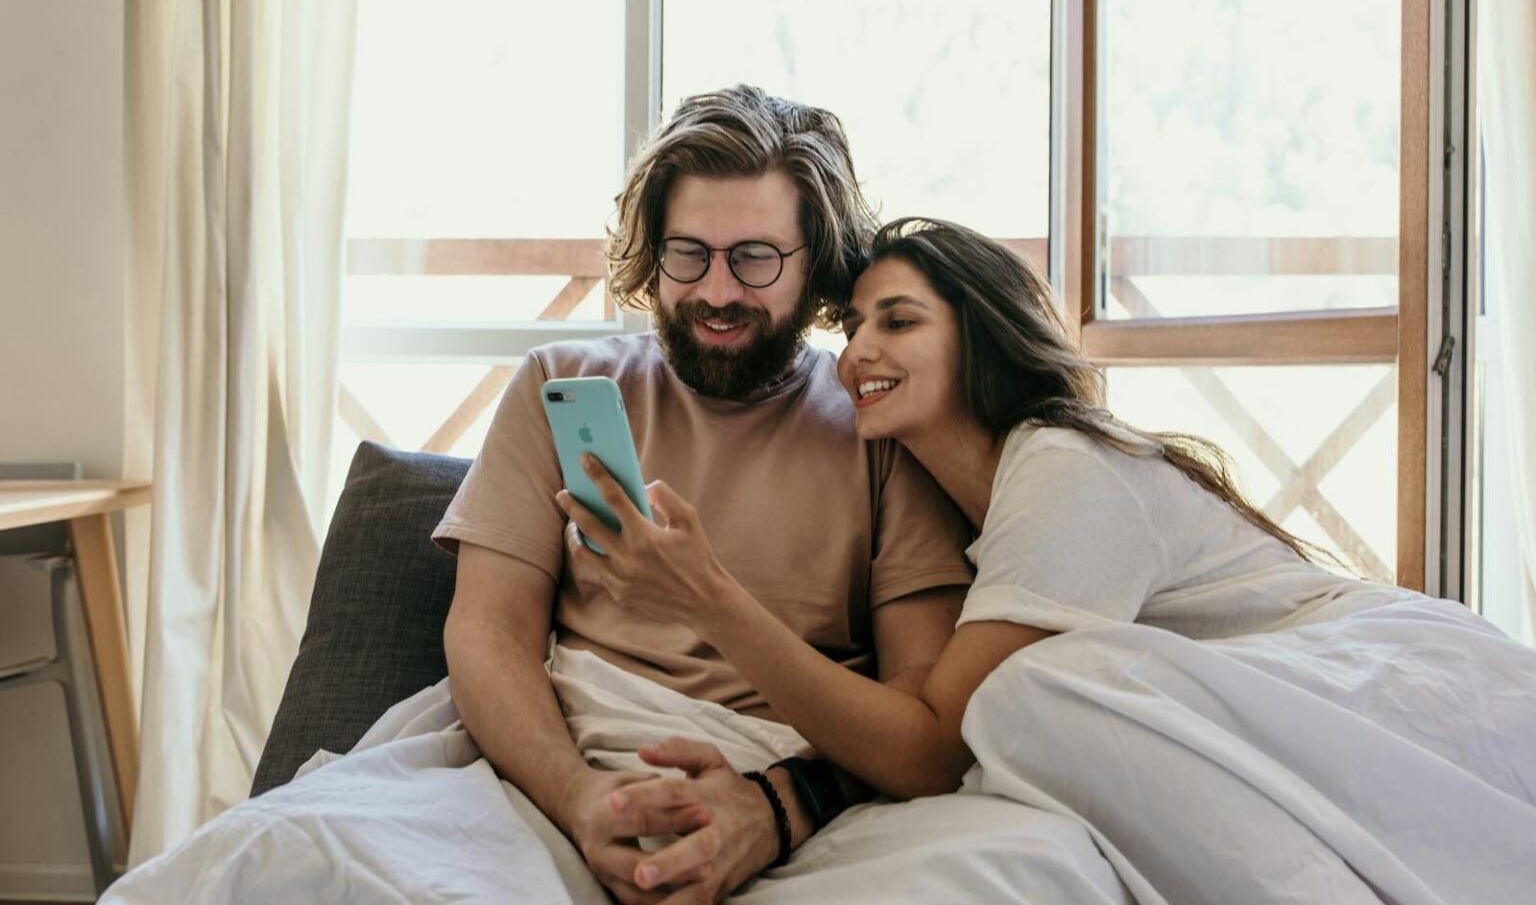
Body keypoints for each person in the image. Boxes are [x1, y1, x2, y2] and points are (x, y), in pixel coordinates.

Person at [570, 216, 1536, 904]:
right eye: (854, 325)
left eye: (899, 321)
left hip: (1377, 690)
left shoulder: (1065, 467)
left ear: (981, 335)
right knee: (1033, 691)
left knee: (1034, 695)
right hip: (1303, 695)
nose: (859, 349)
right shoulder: (958, 504)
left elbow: (932, 743)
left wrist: (706, 595)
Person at [433, 90, 979, 903]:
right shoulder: (559, 384)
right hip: (560, 765)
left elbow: (920, 733)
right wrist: (583, 800)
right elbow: (486, 634)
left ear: (816, 261)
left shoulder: (882, 424)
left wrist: (775, 807)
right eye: (688, 253)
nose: (717, 291)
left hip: (790, 780)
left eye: (755, 258)